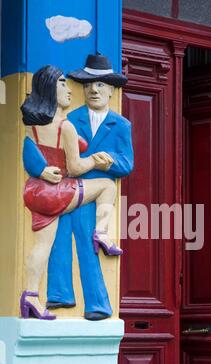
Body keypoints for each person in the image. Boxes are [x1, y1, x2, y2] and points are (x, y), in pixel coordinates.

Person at [22, 54, 134, 320]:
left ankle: (96, 304)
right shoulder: (70, 117)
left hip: (86, 196)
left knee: (87, 247)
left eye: (100, 85)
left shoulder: (121, 125)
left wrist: (108, 164)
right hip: (69, 188)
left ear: (111, 90)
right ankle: (59, 294)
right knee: (58, 244)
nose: (93, 90)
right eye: (88, 85)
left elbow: (127, 163)